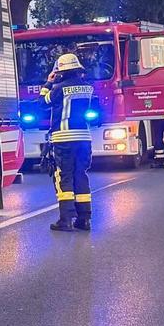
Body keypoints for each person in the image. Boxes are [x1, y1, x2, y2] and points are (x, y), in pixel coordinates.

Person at [41, 52, 94, 230]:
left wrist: (49, 82)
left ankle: (66, 220)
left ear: (60, 71)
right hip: (84, 139)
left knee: (64, 177)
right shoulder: (88, 88)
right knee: (81, 175)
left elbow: (42, 102)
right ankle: (84, 219)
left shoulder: (58, 89)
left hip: (63, 139)